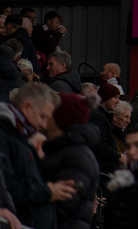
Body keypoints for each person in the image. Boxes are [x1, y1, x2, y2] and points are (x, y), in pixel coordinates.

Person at [0, 82, 77, 229]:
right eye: (43, 116)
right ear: (27, 107)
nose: (44, 124)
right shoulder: (6, 135)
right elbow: (10, 186)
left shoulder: (22, 136)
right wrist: (48, 191)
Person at [39, 92, 99, 229]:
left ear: (61, 119)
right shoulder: (60, 149)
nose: (43, 116)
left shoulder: (76, 157)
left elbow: (66, 208)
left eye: (49, 112)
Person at [89, 82, 124, 177]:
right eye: (115, 97)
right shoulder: (97, 116)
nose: (118, 101)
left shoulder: (102, 115)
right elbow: (100, 144)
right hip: (102, 171)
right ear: (105, 97)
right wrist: (118, 156)